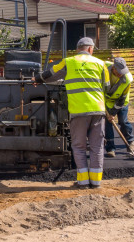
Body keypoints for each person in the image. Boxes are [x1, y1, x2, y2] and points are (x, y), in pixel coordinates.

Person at [34, 37, 110, 189]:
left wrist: (37, 79)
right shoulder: (101, 64)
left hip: (78, 112)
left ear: (78, 49)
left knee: (79, 146)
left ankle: (83, 182)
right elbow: (107, 87)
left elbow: (50, 74)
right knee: (97, 147)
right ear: (90, 49)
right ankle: (95, 183)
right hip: (97, 110)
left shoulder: (68, 62)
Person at [103, 57, 134, 157]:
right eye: (119, 71)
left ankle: (130, 142)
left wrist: (113, 113)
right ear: (113, 67)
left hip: (121, 101)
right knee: (107, 124)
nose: (121, 74)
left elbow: (122, 99)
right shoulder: (103, 69)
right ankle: (110, 149)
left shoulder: (127, 79)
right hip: (107, 101)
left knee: (123, 122)